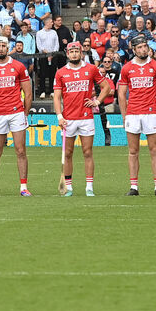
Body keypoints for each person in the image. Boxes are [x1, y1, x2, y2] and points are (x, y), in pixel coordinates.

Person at [53, 42, 111, 197]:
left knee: (87, 152)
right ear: (67, 54)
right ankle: (69, 188)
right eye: (71, 51)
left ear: (81, 53)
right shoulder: (61, 73)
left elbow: (106, 87)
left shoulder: (91, 69)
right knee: (68, 153)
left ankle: (89, 187)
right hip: (68, 119)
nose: (74, 54)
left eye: (76, 51)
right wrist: (59, 116)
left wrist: (97, 101)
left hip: (86, 118)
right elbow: (57, 97)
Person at [0, 37, 33, 196]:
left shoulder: (18, 66)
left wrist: (25, 113)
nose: (1, 49)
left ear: (7, 48)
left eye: (4, 46)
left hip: (16, 113)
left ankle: (23, 187)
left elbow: (28, 93)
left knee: (20, 150)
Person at [117, 38, 156, 196]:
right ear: (134, 50)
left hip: (151, 113)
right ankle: (134, 187)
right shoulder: (126, 68)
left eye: (145, 46)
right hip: (133, 113)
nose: (144, 49)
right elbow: (121, 94)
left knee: (154, 150)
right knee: (133, 151)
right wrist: (124, 116)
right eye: (140, 47)